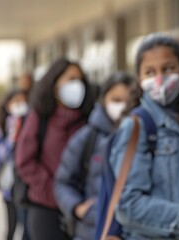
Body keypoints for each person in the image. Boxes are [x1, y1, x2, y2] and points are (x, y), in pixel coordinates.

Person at [108, 33, 179, 239]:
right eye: (150, 72)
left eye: (168, 68)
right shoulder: (136, 126)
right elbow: (128, 206)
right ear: (139, 78)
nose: (160, 79)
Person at [54, 71, 141, 240]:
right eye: (116, 100)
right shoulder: (86, 138)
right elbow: (62, 182)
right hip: (91, 231)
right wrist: (77, 207)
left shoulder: (142, 136)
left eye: (127, 101)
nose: (122, 106)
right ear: (103, 100)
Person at [15, 58, 95, 240]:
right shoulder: (40, 115)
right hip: (46, 209)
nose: (76, 85)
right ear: (55, 84)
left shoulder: (89, 119)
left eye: (80, 80)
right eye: (70, 79)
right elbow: (25, 162)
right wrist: (58, 193)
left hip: (82, 210)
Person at [0, 89, 29, 240]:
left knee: (27, 227)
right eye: (16, 102)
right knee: (12, 226)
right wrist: (12, 136)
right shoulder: (0, 129)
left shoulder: (31, 124)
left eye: (23, 101)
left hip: (27, 184)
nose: (21, 105)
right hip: (9, 186)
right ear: (8, 105)